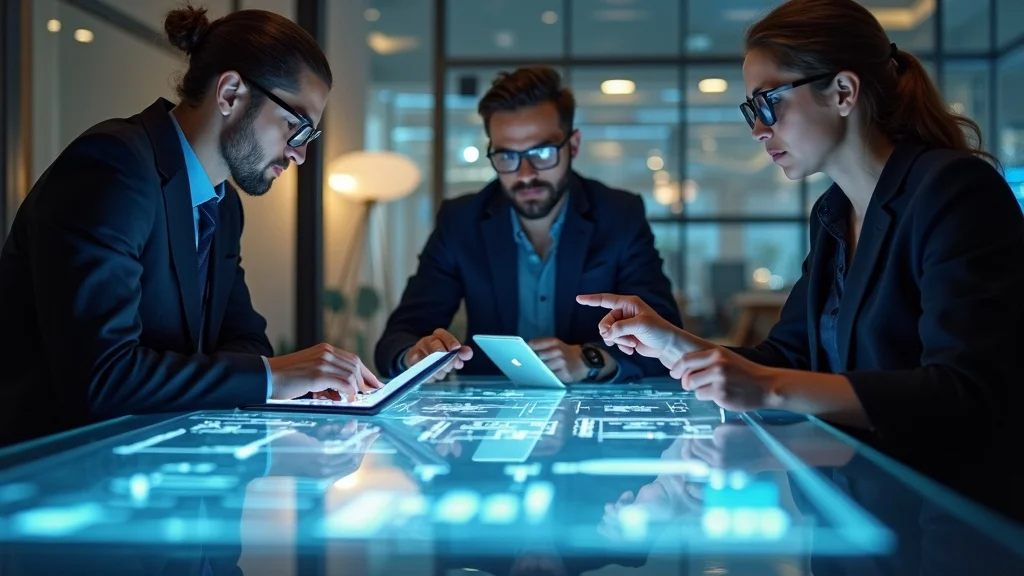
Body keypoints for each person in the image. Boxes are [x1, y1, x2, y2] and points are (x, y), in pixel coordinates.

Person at [577, 0, 1024, 493]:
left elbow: (964, 393)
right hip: (857, 504)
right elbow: (789, 358)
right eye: (751, 109)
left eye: (768, 101)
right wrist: (673, 342)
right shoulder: (833, 213)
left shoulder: (954, 189)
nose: (757, 129)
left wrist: (769, 388)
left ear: (844, 92)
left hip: (944, 512)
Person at [0, 6, 381, 447]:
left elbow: (246, 342)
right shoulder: (112, 167)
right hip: (49, 470)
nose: (299, 155)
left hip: (153, 460)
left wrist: (266, 374)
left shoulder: (223, 205)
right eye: (296, 129)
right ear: (231, 93)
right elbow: (102, 378)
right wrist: (272, 376)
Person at [375, 66, 681, 384]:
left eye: (541, 152)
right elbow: (396, 339)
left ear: (573, 145)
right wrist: (414, 355)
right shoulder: (461, 220)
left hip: (591, 406)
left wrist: (588, 360)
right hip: (492, 414)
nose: (524, 174)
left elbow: (667, 336)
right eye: (507, 156)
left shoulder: (619, 215)